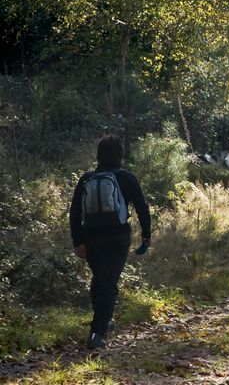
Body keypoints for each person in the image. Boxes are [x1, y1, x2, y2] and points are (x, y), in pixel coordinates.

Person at [69, 135, 152, 350]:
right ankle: (98, 332)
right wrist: (146, 234)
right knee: (106, 283)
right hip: (117, 238)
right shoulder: (127, 178)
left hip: (91, 238)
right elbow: (142, 207)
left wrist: (77, 241)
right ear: (120, 155)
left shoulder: (87, 178)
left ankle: (104, 321)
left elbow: (75, 211)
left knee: (100, 280)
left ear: (99, 155)